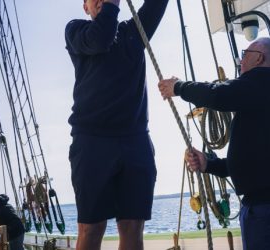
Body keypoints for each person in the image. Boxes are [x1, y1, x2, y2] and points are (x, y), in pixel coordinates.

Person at [158, 37, 270, 250]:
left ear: (259, 58)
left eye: (244, 54)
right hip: (268, 205)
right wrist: (209, 165)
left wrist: (179, 87)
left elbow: (219, 94)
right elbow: (256, 158)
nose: (240, 61)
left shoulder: (267, 80)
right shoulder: (265, 93)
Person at [65, 0, 168, 249]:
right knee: (91, 228)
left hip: (136, 141)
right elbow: (101, 38)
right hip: (91, 142)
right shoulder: (76, 30)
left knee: (133, 228)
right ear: (85, 7)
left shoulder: (134, 32)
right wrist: (111, 5)